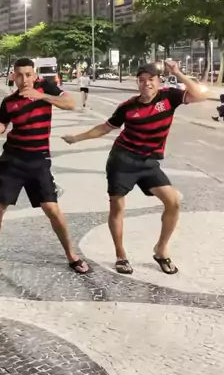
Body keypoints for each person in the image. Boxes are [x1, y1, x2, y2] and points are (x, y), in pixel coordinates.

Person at [63, 60, 205, 276]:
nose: (147, 84)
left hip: (148, 162)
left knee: (173, 202)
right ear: (137, 83)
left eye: (151, 79)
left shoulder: (169, 97)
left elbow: (199, 96)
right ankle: (121, 255)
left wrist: (178, 72)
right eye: (142, 80)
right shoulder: (128, 107)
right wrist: (76, 138)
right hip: (122, 161)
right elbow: (105, 128)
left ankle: (161, 250)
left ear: (159, 81)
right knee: (117, 207)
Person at [0, 57, 91, 277]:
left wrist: (43, 96)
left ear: (34, 74)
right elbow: (1, 126)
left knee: (52, 209)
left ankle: (72, 255)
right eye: (20, 75)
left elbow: (71, 104)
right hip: (13, 160)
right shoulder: (9, 102)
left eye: (28, 75)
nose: (24, 80)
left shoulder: (45, 88)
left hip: (39, 160)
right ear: (13, 76)